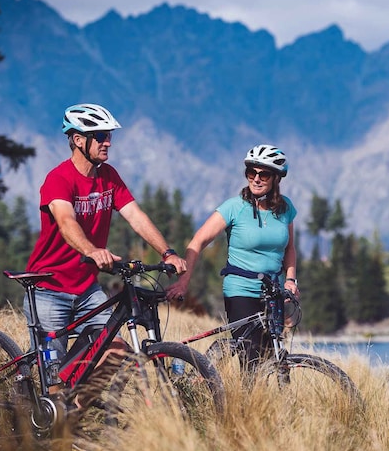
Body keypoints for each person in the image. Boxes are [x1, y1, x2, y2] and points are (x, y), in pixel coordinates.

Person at [25, 103, 187, 372]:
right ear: (78, 140)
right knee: (52, 378)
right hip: (49, 289)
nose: (108, 142)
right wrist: (91, 250)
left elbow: (135, 216)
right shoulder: (58, 179)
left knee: (114, 350)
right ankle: (47, 404)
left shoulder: (109, 177)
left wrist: (167, 252)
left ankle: (74, 410)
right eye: (100, 136)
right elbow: (66, 222)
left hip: (86, 288)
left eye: (109, 136)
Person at [166, 144, 298, 372]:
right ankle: (246, 403)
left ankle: (264, 398)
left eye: (263, 174)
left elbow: (290, 249)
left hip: (273, 290)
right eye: (251, 173)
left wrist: (290, 280)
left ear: (276, 178)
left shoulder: (286, 208)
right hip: (240, 289)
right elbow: (197, 242)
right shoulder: (234, 207)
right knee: (252, 359)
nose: (256, 179)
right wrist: (183, 282)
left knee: (274, 356)